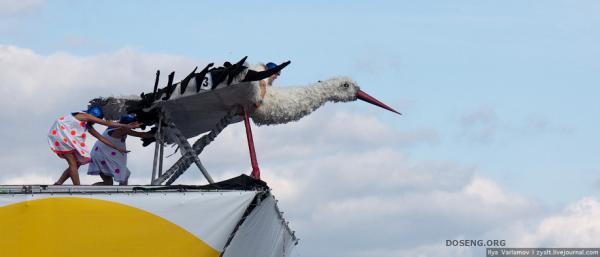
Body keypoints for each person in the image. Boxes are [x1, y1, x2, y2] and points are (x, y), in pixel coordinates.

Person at [47, 106, 140, 185]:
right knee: (72, 162)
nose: (94, 122)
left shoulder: (87, 124)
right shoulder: (84, 116)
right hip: (62, 135)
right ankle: (77, 188)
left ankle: (59, 182)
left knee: (76, 163)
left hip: (65, 136)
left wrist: (117, 148)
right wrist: (125, 126)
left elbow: (100, 138)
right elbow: (106, 123)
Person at [88, 114, 154, 186]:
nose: (133, 127)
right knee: (124, 175)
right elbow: (142, 135)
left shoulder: (116, 125)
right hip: (103, 156)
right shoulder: (121, 129)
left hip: (101, 155)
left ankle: (87, 191)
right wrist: (157, 132)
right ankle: (123, 193)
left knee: (109, 183)